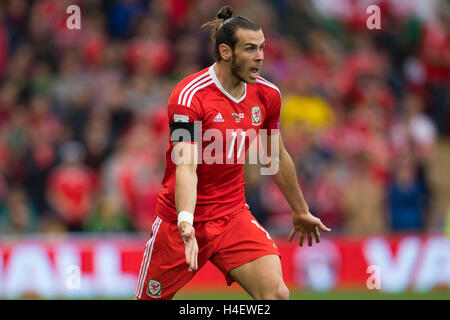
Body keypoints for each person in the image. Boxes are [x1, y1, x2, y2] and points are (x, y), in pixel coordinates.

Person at [135, 6, 330, 300]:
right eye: (250, 48)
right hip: (181, 222)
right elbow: (185, 166)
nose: (260, 56)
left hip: (232, 215)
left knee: (277, 294)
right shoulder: (188, 95)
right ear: (226, 52)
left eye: (262, 47)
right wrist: (186, 221)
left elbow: (273, 157)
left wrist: (300, 210)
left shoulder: (268, 95)